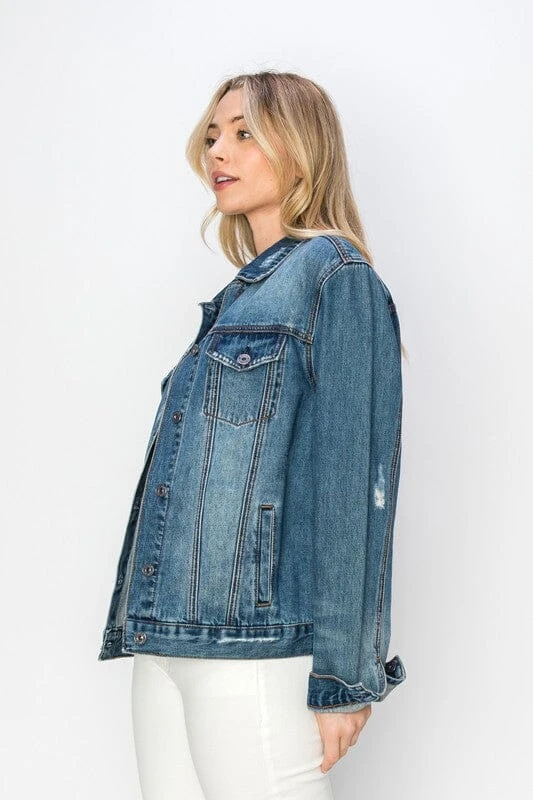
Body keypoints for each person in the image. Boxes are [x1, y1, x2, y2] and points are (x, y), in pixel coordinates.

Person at [98, 70, 407, 800]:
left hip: (257, 653)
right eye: (212, 136)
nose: (218, 152)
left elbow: (353, 487)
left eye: (244, 134)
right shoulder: (240, 296)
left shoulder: (335, 278)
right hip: (166, 638)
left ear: (301, 150)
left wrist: (344, 676)